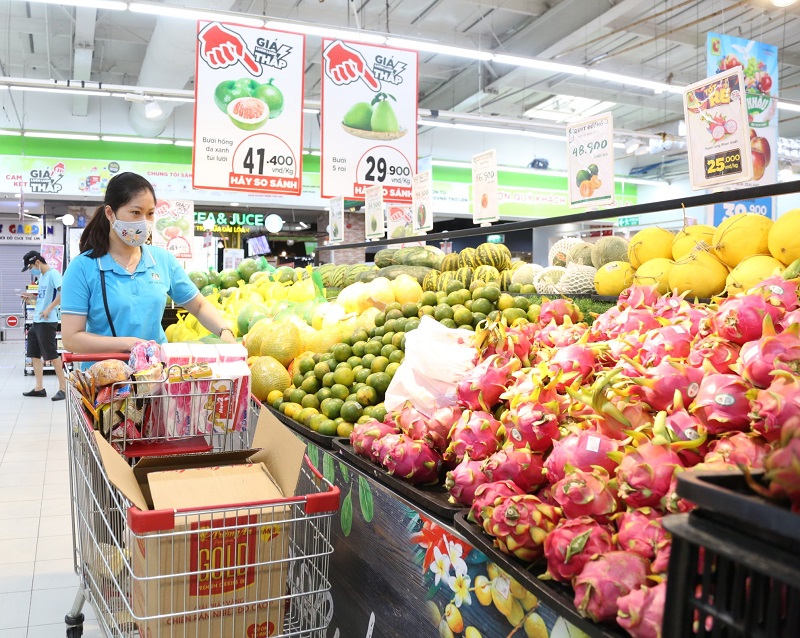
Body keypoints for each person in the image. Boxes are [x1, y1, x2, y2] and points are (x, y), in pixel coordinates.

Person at [61, 172, 237, 354]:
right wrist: (131, 344)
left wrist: (224, 332)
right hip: (106, 377)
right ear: (109, 213)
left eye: (150, 213)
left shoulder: (162, 260)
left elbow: (199, 306)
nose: (144, 222)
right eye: (136, 213)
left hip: (155, 375)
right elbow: (71, 338)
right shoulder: (83, 267)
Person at [21, 251, 68, 400]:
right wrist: (31, 296)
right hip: (37, 320)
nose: (31, 270)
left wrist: (49, 308)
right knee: (34, 354)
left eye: (30, 267)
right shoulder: (42, 277)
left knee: (52, 355)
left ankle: (63, 388)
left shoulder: (53, 274)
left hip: (47, 321)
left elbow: (63, 293)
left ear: (37, 263)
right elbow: (44, 295)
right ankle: (39, 387)